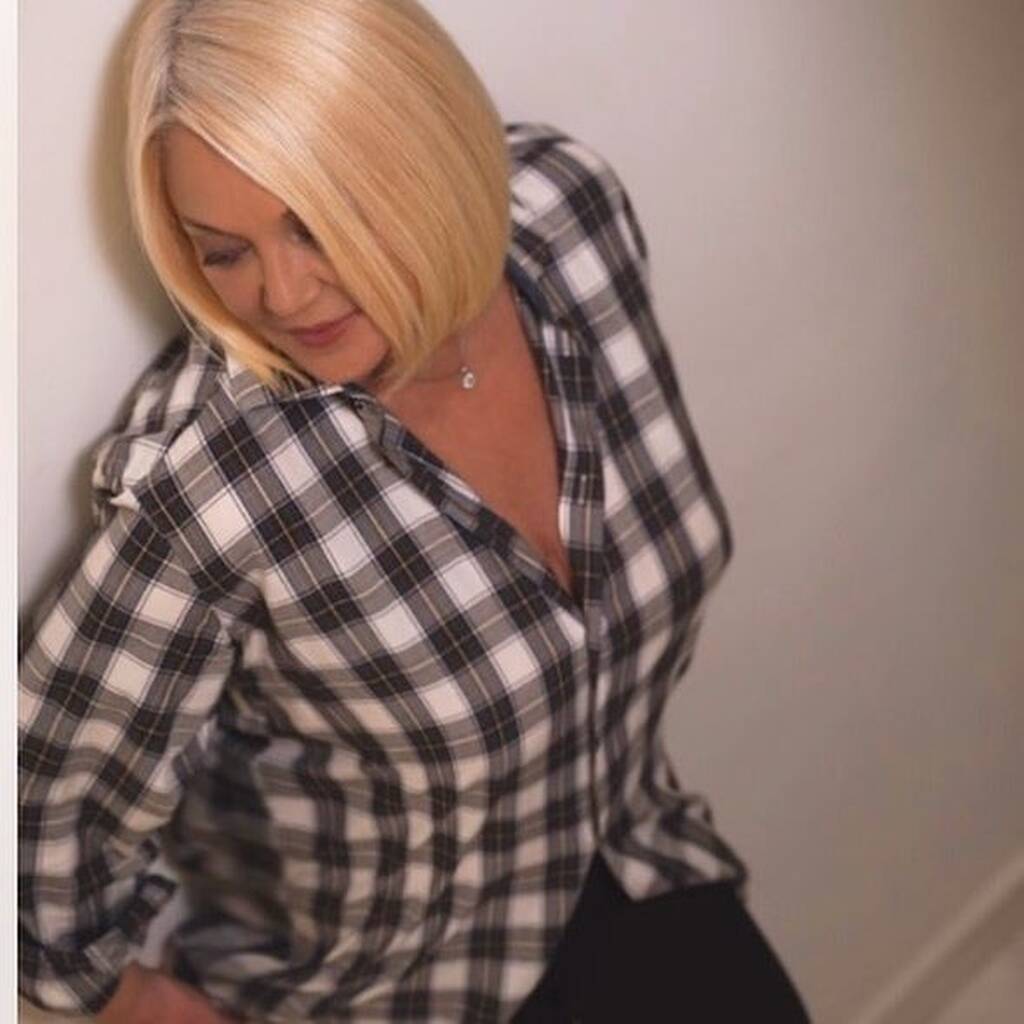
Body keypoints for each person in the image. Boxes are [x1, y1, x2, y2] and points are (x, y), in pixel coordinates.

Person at [19, 1, 810, 1021]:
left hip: (636, 859)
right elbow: (33, 818)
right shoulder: (219, 482)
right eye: (224, 251)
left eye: (315, 221)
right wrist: (134, 1000)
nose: (284, 295)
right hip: (396, 993)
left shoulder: (567, 215)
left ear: (420, 153)